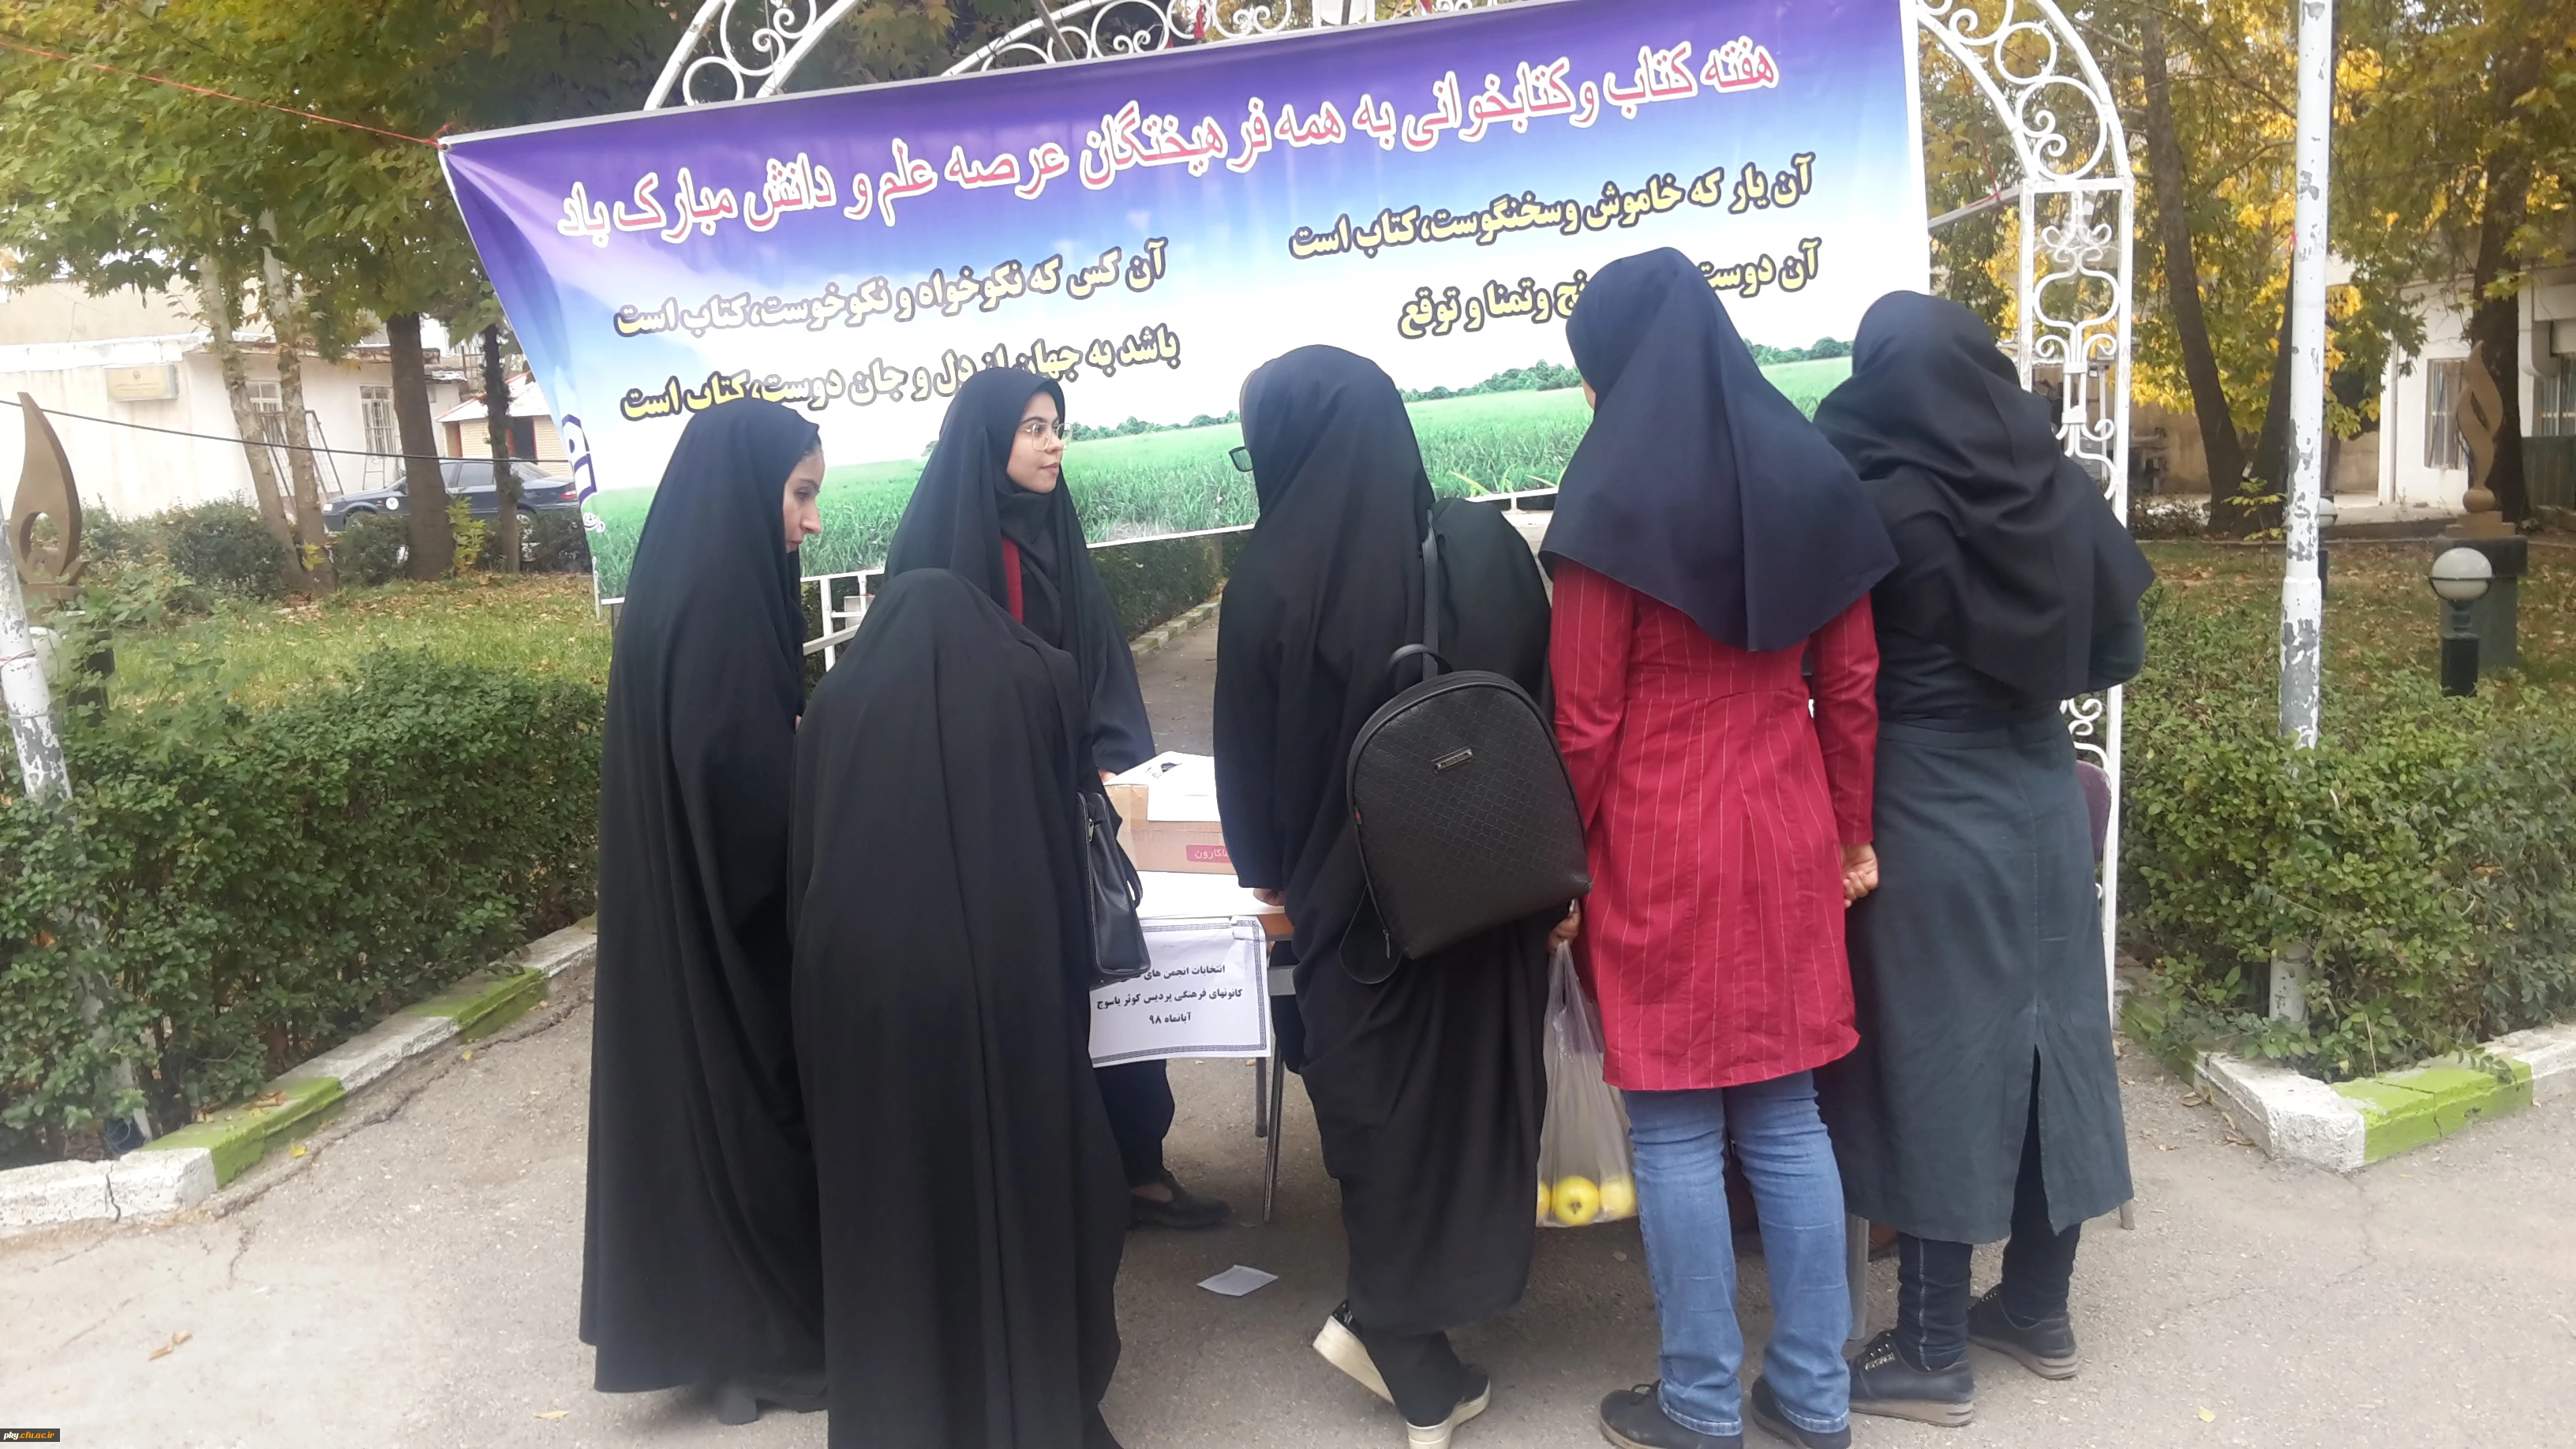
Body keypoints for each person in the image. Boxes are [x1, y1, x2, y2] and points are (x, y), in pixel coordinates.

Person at [1543, 249, 1897, 1449]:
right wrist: (1851, 830)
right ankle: (1814, 1395)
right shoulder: (1811, 471)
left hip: (1657, 835)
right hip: (1786, 825)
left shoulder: (1607, 499)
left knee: (1677, 1128)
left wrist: (1563, 871)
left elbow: (1585, 720)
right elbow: (1853, 684)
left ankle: (1699, 1401)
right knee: (1789, 1115)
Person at [1811, 291, 2154, 1427]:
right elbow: (2117, 647)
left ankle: (1929, 1349)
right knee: (2054, 1040)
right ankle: (2040, 1310)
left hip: (1922, 798)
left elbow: (1828, 664)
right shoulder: (2062, 490)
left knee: (1937, 1058)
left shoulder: (1877, 499)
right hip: (2042, 795)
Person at [1213, 344, 1559, 1449]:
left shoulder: (1270, 579)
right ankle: (1415, 1334)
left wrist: (1275, 870)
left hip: (1355, 913)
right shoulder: (1484, 545)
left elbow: (1249, 775)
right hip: (1490, 892)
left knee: (1382, 1121)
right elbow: (1545, 711)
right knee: (1475, 1105)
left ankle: (1406, 1347)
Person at [788, 567, 1128, 1449]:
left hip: (866, 990)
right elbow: (1068, 826)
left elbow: (805, 867)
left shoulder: (836, 704)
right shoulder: (1042, 678)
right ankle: (1036, 1395)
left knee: (894, 1198)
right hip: (1016, 973)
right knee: (1027, 1178)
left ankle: (907, 1407)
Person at [885, 366, 1228, 1231]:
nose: (1053, 444)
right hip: (988, 821)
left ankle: (1137, 1168)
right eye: (1033, 428)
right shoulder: (940, 548)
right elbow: (928, 694)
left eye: (1058, 426)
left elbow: (1098, 664)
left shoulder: (1055, 534)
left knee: (1113, 975)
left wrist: (1110, 760)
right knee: (1026, 1005)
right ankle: (1045, 1190)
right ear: (989, 437)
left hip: (1075, 803)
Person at [581, 398, 830, 1425]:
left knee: (698, 1121)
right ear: (749, 490)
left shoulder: (681, 588)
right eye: (801, 494)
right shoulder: (724, 609)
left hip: (680, 922)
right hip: (731, 929)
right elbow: (744, 794)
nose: (811, 520)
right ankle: (763, 1347)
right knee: (751, 1114)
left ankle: (721, 1346)